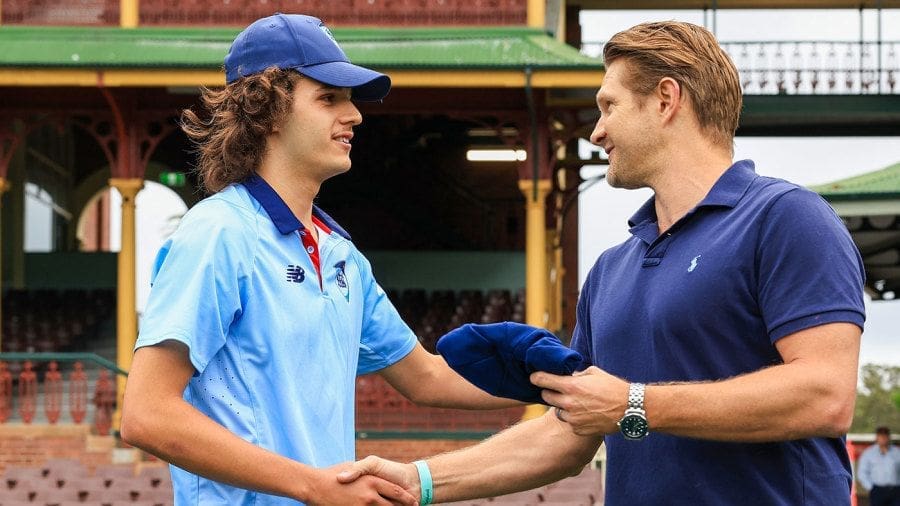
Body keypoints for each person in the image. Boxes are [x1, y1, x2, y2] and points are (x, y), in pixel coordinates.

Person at [338, 20, 866, 506]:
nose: (596, 131)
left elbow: (825, 395)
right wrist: (420, 481)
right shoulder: (611, 270)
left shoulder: (787, 218)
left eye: (608, 106)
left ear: (665, 100)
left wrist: (634, 405)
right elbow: (571, 430)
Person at [119, 13, 518, 506]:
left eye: (349, 100)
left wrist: (562, 384)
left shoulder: (341, 253)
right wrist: (312, 487)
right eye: (329, 98)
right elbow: (146, 414)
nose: (354, 115)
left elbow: (427, 376)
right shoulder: (218, 232)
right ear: (265, 110)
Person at [858, 426, 900, 506]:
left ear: (889, 437)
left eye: (885, 436)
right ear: (877, 437)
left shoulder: (897, 452)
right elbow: (862, 472)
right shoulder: (869, 453)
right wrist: (871, 488)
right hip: (877, 491)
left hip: (896, 491)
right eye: (881, 436)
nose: (883, 438)